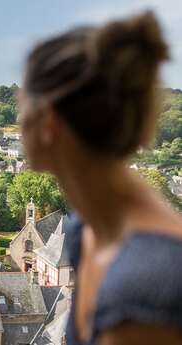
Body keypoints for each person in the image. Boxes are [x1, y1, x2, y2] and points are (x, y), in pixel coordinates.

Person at [18, 10, 182, 345]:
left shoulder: (149, 288)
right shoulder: (85, 229)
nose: (17, 122)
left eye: (21, 107)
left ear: (49, 123)